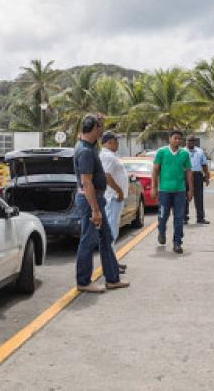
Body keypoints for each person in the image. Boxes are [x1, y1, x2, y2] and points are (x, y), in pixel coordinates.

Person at [74, 115, 129, 293]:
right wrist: (95, 210)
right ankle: (83, 281)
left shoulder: (88, 146)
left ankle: (112, 278)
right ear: (94, 129)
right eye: (100, 128)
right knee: (88, 240)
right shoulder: (85, 152)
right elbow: (87, 182)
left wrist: (96, 118)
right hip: (91, 200)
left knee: (106, 238)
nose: (102, 131)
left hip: (96, 198)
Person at [151, 130, 194, 254]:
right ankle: (161, 231)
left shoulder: (185, 154)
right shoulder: (161, 152)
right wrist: (154, 187)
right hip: (164, 191)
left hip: (180, 192)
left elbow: (188, 172)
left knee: (179, 217)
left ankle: (177, 243)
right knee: (163, 216)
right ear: (169, 139)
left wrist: (190, 190)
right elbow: (155, 171)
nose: (177, 141)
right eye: (175, 138)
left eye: (179, 139)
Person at [100, 131, 130, 268]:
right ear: (109, 142)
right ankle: (110, 265)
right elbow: (107, 176)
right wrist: (118, 191)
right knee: (111, 233)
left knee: (113, 232)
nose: (118, 143)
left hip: (114, 198)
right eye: (116, 140)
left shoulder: (111, 155)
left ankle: (113, 262)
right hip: (112, 198)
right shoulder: (107, 156)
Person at [185, 135, 210, 225]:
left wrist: (207, 177)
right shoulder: (182, 151)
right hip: (185, 176)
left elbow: (204, 164)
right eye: (188, 140)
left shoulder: (200, 151)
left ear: (195, 142)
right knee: (185, 196)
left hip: (197, 175)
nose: (190, 142)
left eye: (192, 141)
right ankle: (184, 218)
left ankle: (200, 218)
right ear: (186, 141)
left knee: (199, 197)